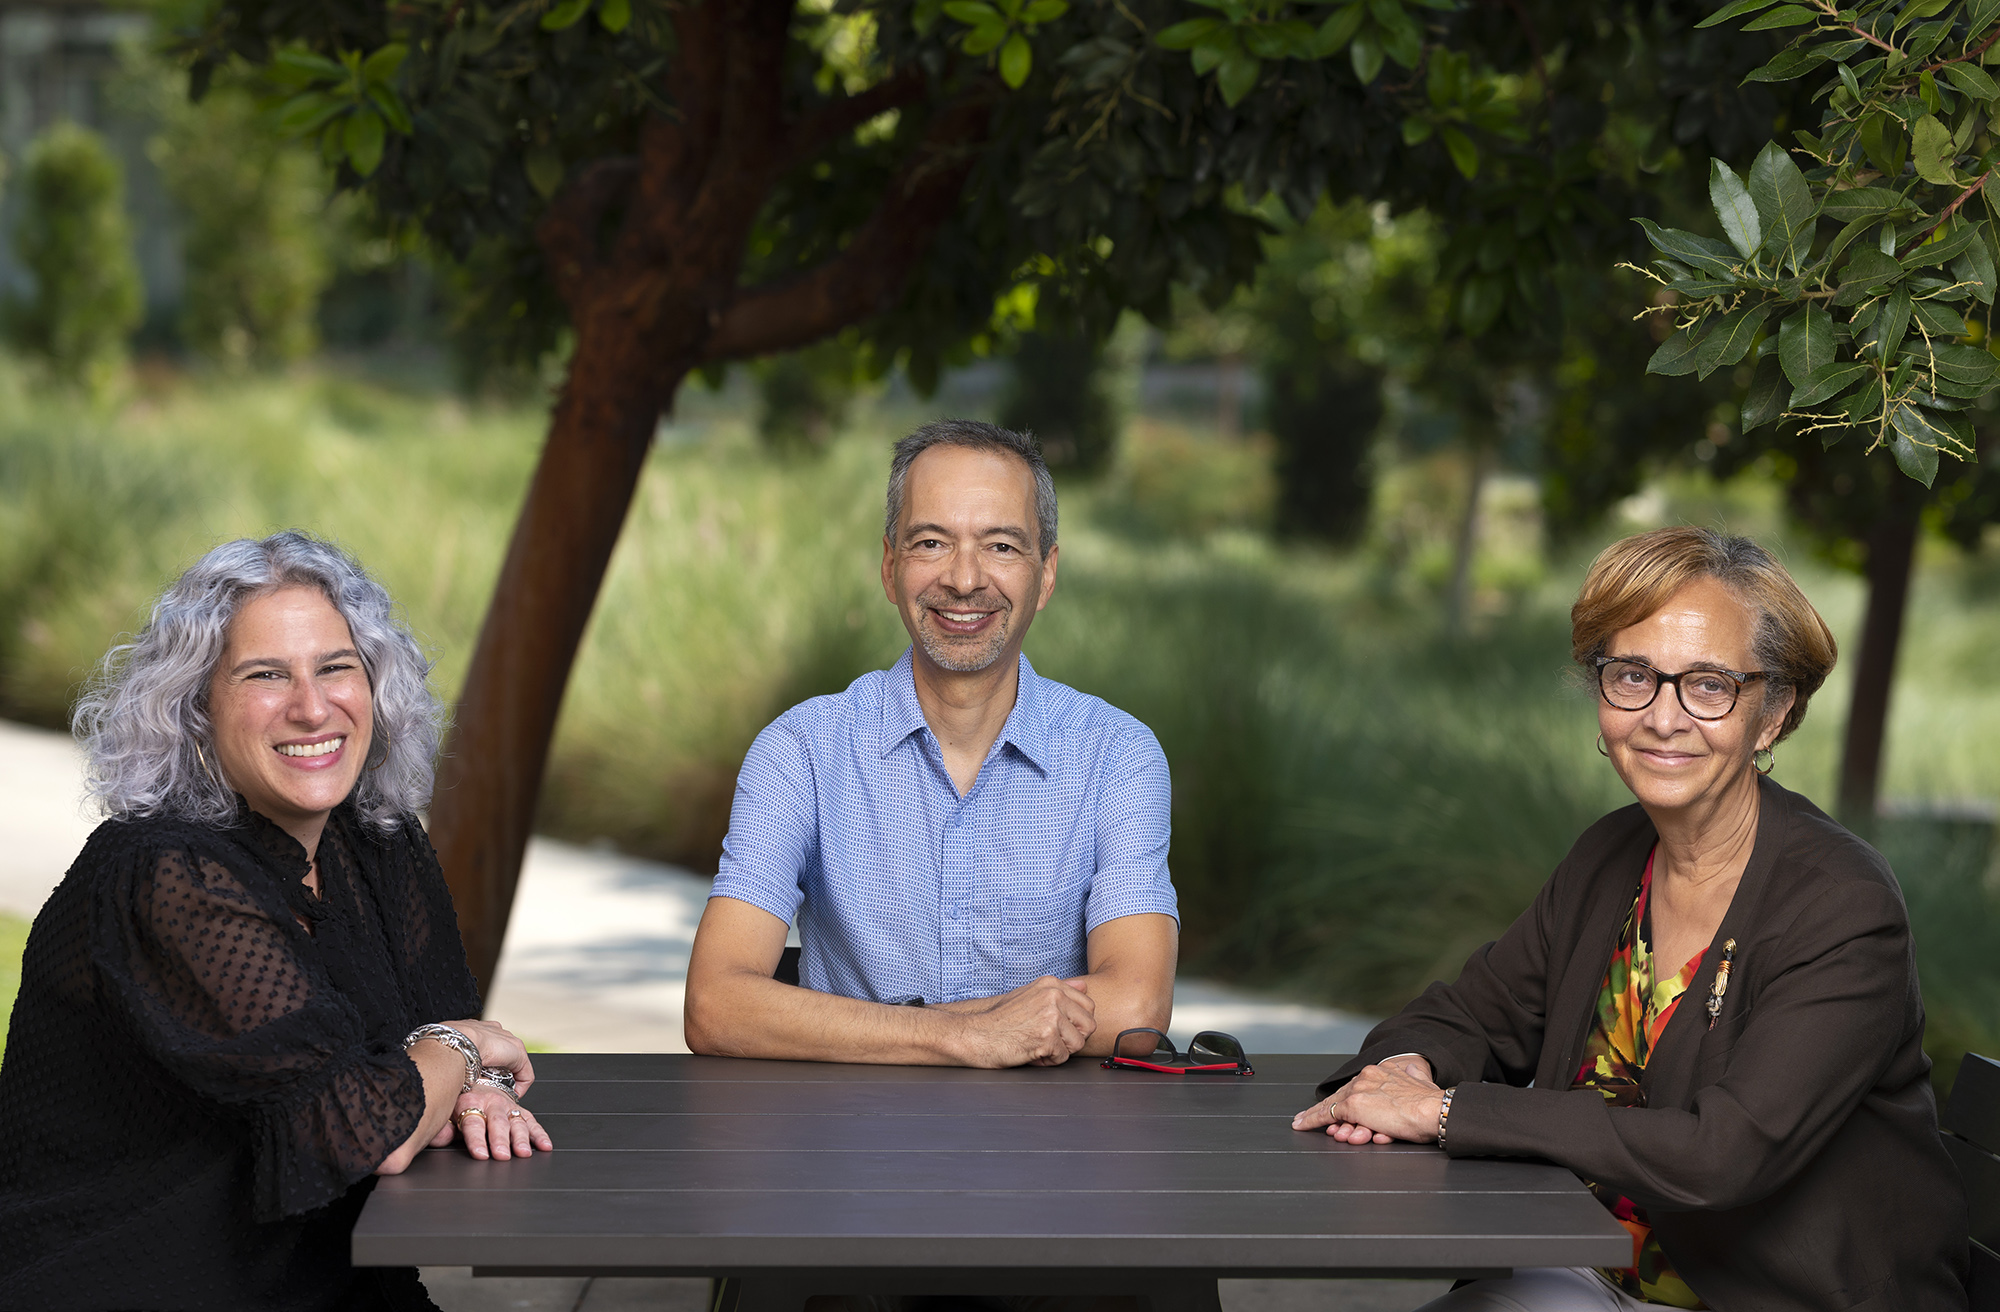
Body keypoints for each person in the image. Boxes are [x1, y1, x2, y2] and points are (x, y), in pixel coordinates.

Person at [1291, 527, 1967, 1311]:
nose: (1663, 717)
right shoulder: (1610, 856)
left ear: (1774, 713)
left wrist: (1446, 1112)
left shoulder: (1841, 905)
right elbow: (1471, 1013)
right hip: (1588, 1273)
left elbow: (1724, 1154)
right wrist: (1408, 1069)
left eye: (1709, 684)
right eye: (1634, 675)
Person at [0, 533, 553, 1312]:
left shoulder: (376, 841)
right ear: (196, 711)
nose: (311, 706)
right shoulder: (164, 873)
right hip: (141, 1283)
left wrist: (474, 1085)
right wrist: (459, 1052)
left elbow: (436, 1034)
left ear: (375, 686)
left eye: (336, 667)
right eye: (266, 676)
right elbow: (366, 1123)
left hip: (330, 1278)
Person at [684, 419, 1178, 1067]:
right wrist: (962, 1035)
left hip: (1049, 1155)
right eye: (930, 542)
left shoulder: (1118, 756)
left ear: (1046, 573)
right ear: (891, 568)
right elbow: (715, 1006)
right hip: (844, 1151)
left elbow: (1136, 1011)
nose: (965, 579)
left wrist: (850, 1027)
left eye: (1001, 546)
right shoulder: (800, 750)